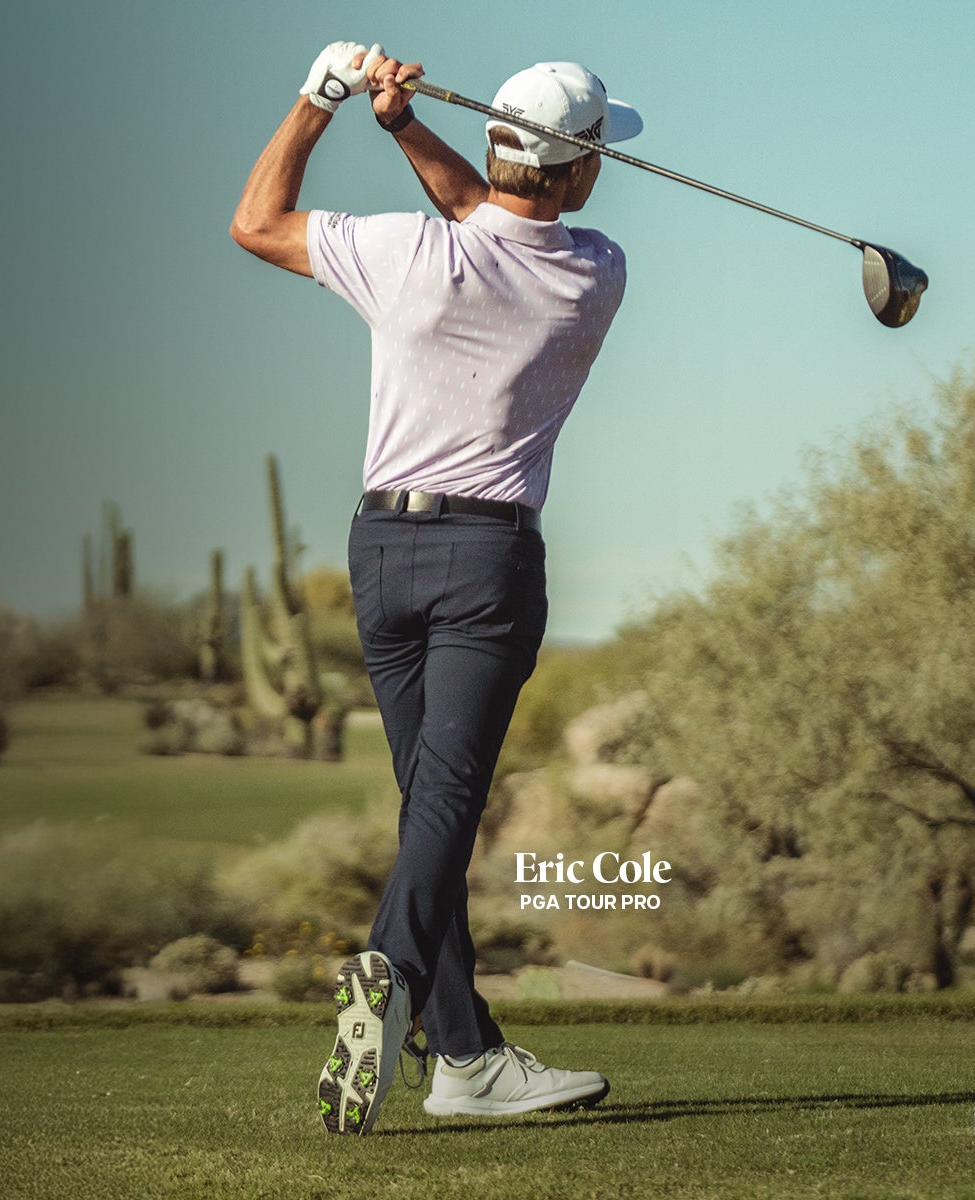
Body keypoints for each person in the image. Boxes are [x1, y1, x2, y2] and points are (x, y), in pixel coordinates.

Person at [230, 43, 629, 1134]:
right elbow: (502, 217)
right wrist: (407, 130)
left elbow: (258, 222)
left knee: (428, 810)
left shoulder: (404, 255)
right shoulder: (594, 268)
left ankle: (463, 1057)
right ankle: (393, 970)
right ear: (582, 169)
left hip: (379, 553)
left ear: (500, 143)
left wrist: (328, 101)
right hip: (487, 563)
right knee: (448, 802)